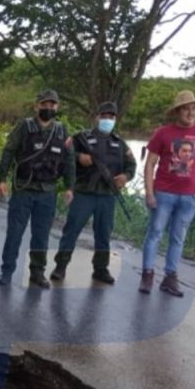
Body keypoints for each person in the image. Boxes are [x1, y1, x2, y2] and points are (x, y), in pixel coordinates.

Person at [138, 90, 195, 296]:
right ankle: (147, 274)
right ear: (177, 112)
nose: (190, 113)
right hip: (163, 193)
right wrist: (149, 192)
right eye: (186, 109)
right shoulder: (163, 133)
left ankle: (170, 277)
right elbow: (150, 164)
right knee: (155, 233)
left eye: (193, 109)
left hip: (188, 196)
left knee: (178, 237)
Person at [51, 101, 135, 285]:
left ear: (115, 119)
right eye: (104, 116)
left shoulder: (120, 143)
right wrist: (79, 157)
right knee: (71, 230)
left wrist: (125, 177)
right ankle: (61, 266)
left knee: (104, 234)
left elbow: (131, 166)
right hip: (84, 193)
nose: (107, 119)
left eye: (111, 117)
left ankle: (100, 269)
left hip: (107, 196)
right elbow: (63, 155)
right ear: (96, 117)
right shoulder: (81, 138)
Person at [0, 89, 72, 288]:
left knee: (41, 235)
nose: (49, 107)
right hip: (24, 189)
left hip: (47, 192)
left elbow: (68, 160)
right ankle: (7, 271)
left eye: (52, 104)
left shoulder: (62, 131)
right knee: (15, 233)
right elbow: (9, 151)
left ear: (58, 106)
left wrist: (70, 186)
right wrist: (1, 179)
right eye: (45, 104)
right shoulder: (24, 126)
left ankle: (37, 272)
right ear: (36, 105)